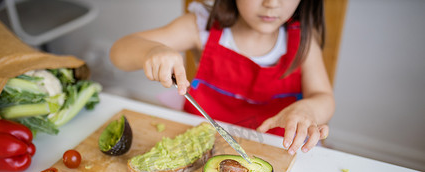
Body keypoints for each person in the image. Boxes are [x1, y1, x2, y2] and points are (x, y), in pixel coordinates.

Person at [110, 0, 335, 155]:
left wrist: (308, 110)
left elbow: (323, 97)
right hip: (204, 148)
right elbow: (118, 52)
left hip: (280, 148)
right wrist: (151, 51)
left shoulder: (303, 39)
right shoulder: (201, 27)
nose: (272, 3)